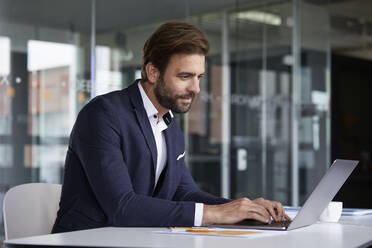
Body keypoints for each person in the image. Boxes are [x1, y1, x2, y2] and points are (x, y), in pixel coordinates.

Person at [52, 22, 289, 233]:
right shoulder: (103, 115)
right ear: (153, 72)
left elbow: (184, 192)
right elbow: (122, 206)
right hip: (85, 240)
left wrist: (244, 209)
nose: (195, 88)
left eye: (199, 77)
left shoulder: (169, 125)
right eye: (185, 76)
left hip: (134, 240)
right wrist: (215, 214)